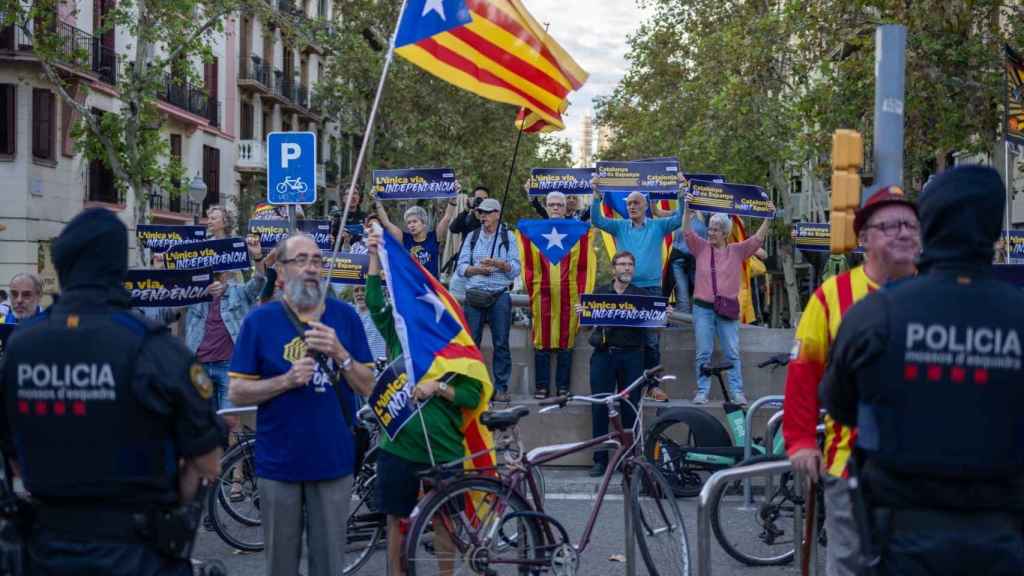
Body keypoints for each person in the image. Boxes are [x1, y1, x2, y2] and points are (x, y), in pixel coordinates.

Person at [822, 165, 1024, 575]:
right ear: (994, 226)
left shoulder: (877, 314)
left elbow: (838, 406)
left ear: (928, 223)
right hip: (1005, 540)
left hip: (904, 541)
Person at [0, 208, 224, 575]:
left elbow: (13, 458)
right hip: (137, 553)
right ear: (120, 265)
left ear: (61, 265)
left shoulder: (20, 347)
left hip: (45, 552)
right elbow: (209, 462)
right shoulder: (154, 348)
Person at [783, 186, 919, 576]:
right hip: (850, 467)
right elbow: (803, 373)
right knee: (851, 565)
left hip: (924, 471)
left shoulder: (936, 293)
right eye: (890, 225)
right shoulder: (831, 296)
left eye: (910, 224)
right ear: (864, 239)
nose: (904, 233)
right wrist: (802, 440)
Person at [227, 233, 376, 576]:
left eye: (317, 260)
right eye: (301, 260)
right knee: (281, 564)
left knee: (329, 564)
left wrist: (341, 354)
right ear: (280, 270)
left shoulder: (346, 318)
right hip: (278, 464)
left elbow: (369, 386)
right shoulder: (259, 321)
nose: (311, 268)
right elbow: (236, 392)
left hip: (333, 462)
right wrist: (287, 381)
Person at [363, 227, 485, 576]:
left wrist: (439, 389)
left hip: (445, 448)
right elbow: (374, 303)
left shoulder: (458, 349)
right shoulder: (400, 333)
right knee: (395, 520)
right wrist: (374, 256)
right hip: (398, 445)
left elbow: (472, 395)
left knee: (445, 521)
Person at [683, 203, 773, 405]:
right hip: (703, 309)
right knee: (703, 352)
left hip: (726, 309)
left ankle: (736, 391)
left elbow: (757, 239)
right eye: (710, 228)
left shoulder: (737, 251)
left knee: (732, 351)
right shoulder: (701, 247)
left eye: (715, 229)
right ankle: (702, 391)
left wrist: (768, 217)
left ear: (725, 233)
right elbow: (686, 232)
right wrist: (687, 211)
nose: (710, 232)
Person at [590, 184, 682, 373]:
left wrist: (681, 195)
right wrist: (596, 197)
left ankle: (653, 384)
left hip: (651, 291)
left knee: (651, 340)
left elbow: (680, 218)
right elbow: (597, 220)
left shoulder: (658, 225)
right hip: (625, 289)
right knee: (623, 337)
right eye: (629, 203)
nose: (631, 207)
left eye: (636, 203)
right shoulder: (620, 226)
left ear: (646, 206)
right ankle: (630, 381)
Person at [580, 251, 647, 477]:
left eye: (630, 265)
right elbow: (586, 329)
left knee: (630, 407)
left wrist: (661, 315)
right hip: (603, 356)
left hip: (632, 357)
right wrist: (584, 314)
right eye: (622, 264)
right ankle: (600, 459)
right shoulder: (600, 293)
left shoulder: (641, 295)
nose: (627, 268)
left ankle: (630, 457)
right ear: (614, 269)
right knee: (599, 406)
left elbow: (654, 327)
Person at [456, 197, 520, 403]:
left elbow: (516, 269)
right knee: (471, 343)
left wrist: (500, 264)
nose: (482, 216)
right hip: (474, 295)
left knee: (501, 343)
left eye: (487, 212)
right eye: (480, 212)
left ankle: (501, 387)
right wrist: (477, 269)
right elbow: (461, 267)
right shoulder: (472, 236)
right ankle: (472, 386)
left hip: (500, 295)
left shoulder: (508, 236)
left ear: (497, 214)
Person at [524, 192, 584, 398]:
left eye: (559, 204)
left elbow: (584, 265)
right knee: (541, 339)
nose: (556, 207)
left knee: (566, 340)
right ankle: (541, 386)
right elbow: (529, 266)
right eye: (551, 204)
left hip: (569, 293)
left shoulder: (576, 230)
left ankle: (563, 388)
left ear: (566, 207)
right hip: (543, 294)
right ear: (546, 207)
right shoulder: (536, 231)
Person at [377, 198, 457, 279]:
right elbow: (386, 223)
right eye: (409, 223)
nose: (411, 225)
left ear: (424, 223)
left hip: (431, 287)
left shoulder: (434, 236)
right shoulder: (404, 238)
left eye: (415, 221)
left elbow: (447, 218)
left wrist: (453, 199)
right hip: (412, 286)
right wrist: (378, 202)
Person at [668, 210, 707, 313]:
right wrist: (655, 198)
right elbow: (657, 212)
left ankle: (700, 324)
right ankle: (683, 328)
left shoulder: (705, 213)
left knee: (700, 296)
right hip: (679, 260)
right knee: (682, 296)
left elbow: (724, 217)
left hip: (699, 262)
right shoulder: (679, 212)